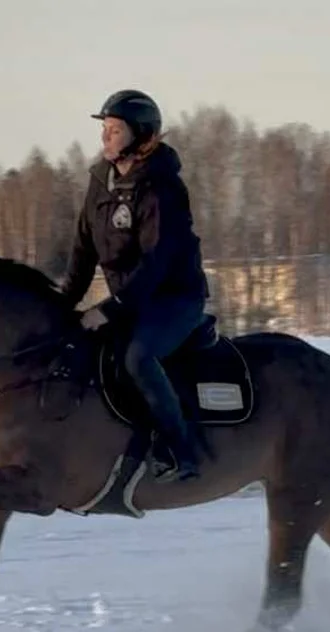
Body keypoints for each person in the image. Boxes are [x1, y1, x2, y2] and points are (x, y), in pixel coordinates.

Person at [59, 89, 210, 482]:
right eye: (104, 129)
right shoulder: (100, 181)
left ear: (141, 134)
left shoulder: (161, 187)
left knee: (137, 358)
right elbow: (82, 251)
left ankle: (181, 452)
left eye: (115, 130)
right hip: (131, 301)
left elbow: (155, 263)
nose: (105, 137)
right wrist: (61, 306)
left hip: (173, 300)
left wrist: (109, 309)